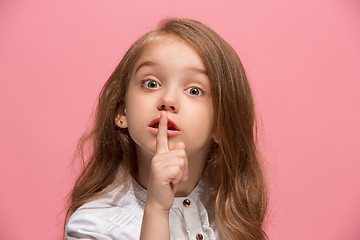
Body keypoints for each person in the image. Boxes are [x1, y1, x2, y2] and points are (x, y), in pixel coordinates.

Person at [64, 18, 268, 240]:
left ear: (221, 124)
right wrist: (156, 210)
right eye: (151, 84)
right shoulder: (94, 226)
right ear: (121, 112)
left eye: (194, 90)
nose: (168, 100)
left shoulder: (230, 214)